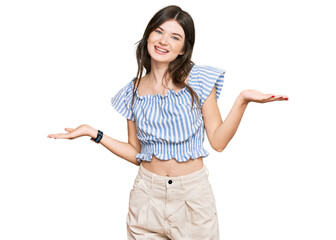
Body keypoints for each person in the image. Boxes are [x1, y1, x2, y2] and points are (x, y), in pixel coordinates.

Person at [48, 5, 288, 240]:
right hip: (146, 196)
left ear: (183, 49)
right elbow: (136, 153)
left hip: (192, 197)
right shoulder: (132, 91)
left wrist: (242, 101)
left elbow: (218, 141)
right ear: (148, 35)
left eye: (175, 37)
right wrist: (94, 132)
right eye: (159, 32)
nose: (164, 41)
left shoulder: (200, 80)